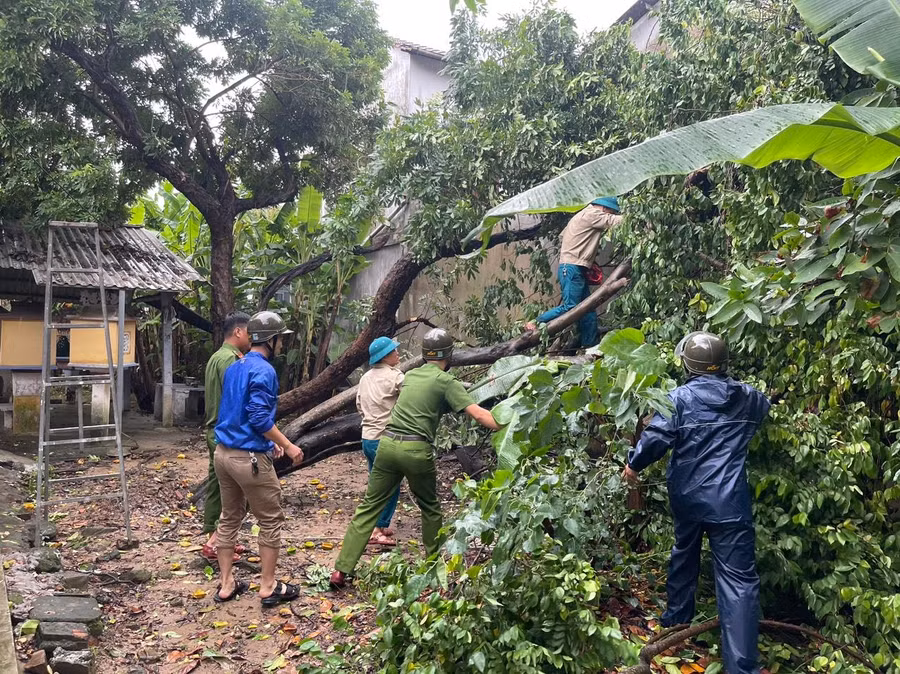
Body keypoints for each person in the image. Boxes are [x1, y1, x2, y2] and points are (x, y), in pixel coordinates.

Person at [623, 331, 770, 674]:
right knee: (739, 583)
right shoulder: (748, 397)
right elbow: (763, 407)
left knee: (684, 553)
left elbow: (656, 437)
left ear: (688, 365)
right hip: (730, 501)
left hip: (688, 497)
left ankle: (676, 626)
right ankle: (742, 667)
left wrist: (633, 465)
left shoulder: (678, 399)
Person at [330, 328, 500, 588]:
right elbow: (478, 415)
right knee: (429, 507)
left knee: (369, 506)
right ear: (448, 354)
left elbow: (426, 402)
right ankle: (433, 567)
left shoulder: (410, 375)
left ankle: (340, 570)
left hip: (387, 444)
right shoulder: (446, 381)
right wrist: (507, 422)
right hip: (415, 450)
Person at [212, 310, 304, 607]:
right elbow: (259, 417)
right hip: (247, 459)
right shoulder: (264, 371)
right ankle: (268, 586)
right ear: (271, 340)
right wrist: (288, 445)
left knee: (229, 517)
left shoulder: (235, 366)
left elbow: (238, 413)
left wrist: (268, 442)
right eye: (281, 339)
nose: (282, 345)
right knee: (270, 519)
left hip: (223, 454)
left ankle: (226, 584)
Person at [525, 196, 623, 347]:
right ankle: (536, 322)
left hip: (574, 267)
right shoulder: (592, 214)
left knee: (588, 310)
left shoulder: (582, 215)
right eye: (612, 211)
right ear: (604, 208)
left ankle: (590, 348)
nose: (612, 214)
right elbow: (615, 222)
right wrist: (636, 217)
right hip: (572, 268)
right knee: (571, 307)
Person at [201, 311, 252, 562]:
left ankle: (217, 535)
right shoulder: (232, 360)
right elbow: (237, 399)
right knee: (238, 489)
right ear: (238, 332)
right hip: (227, 432)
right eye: (250, 332)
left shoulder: (216, 357)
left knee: (216, 485)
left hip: (213, 429)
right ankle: (218, 542)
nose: (252, 338)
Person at [356, 336, 405, 546]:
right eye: (394, 351)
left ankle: (379, 525)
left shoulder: (365, 378)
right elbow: (409, 401)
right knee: (390, 485)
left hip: (367, 438)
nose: (397, 353)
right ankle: (376, 530)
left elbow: (359, 405)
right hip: (385, 439)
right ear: (385, 356)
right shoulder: (396, 377)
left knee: (376, 483)